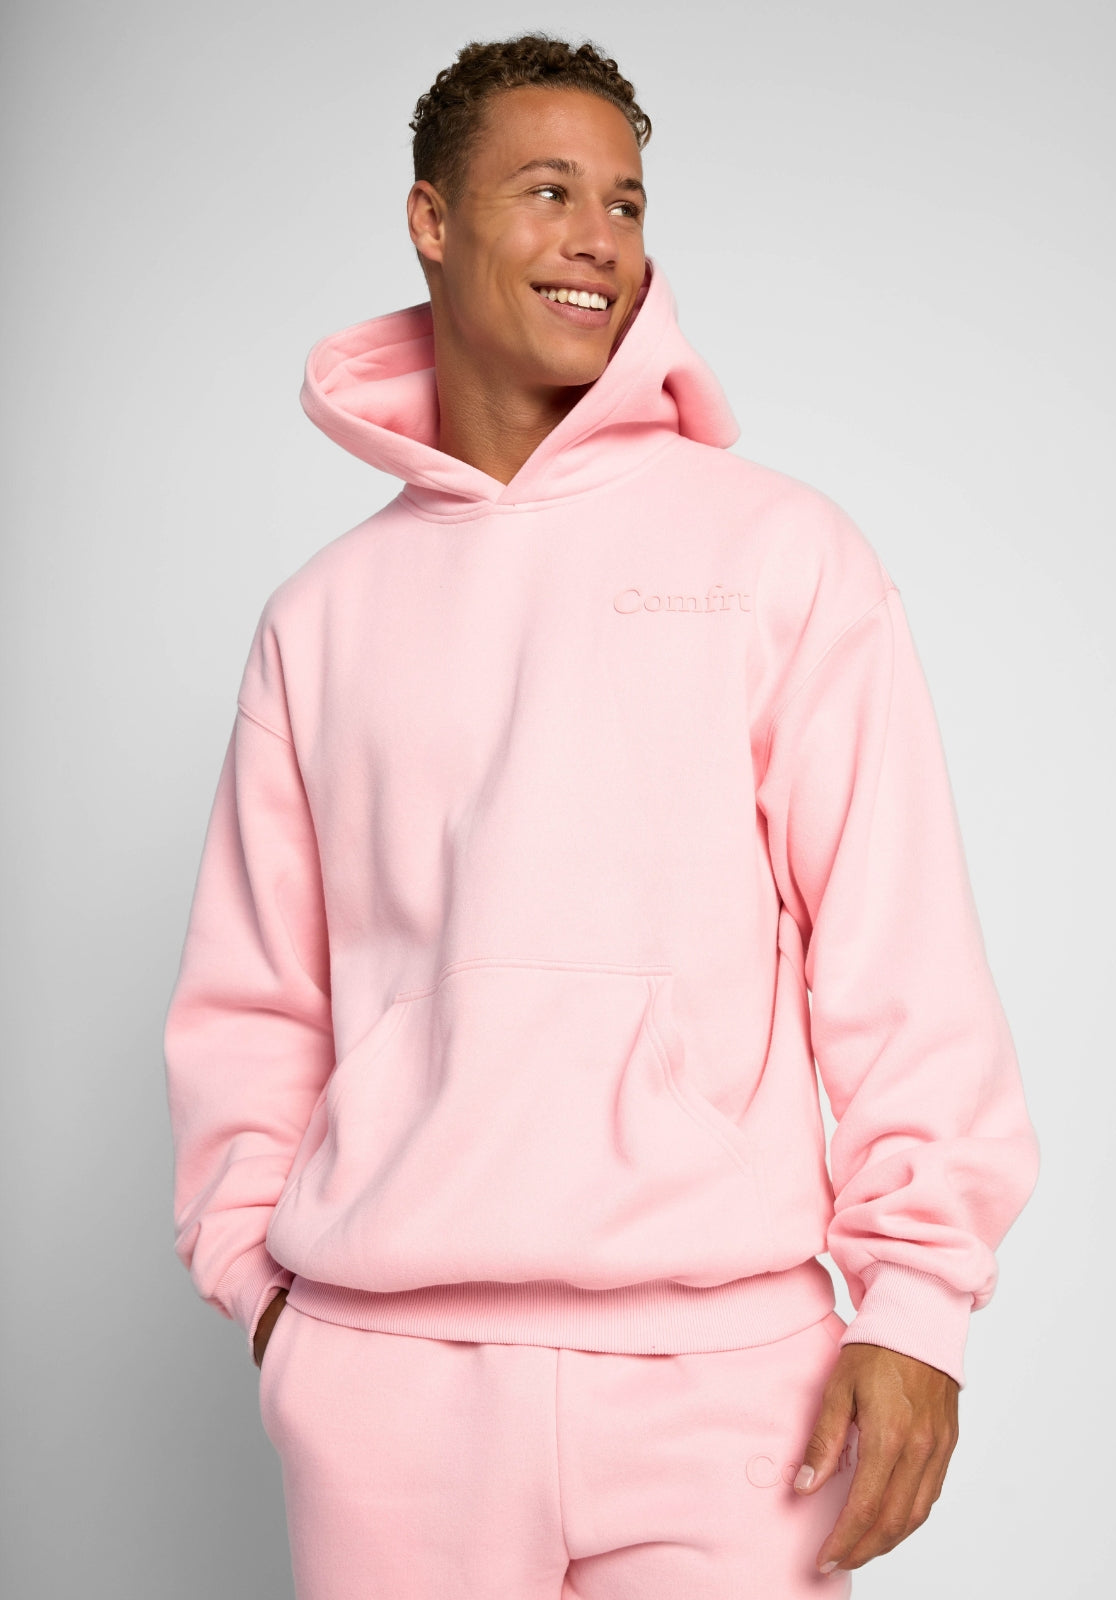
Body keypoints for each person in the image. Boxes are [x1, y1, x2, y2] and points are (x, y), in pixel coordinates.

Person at [163, 31, 1040, 1599]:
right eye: (549, 191)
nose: (598, 240)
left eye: (626, 202)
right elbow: (254, 1002)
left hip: (734, 1384)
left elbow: (899, 956)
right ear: (432, 220)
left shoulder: (781, 556)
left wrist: (916, 1308)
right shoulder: (322, 616)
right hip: (389, 1385)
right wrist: (266, 1300)